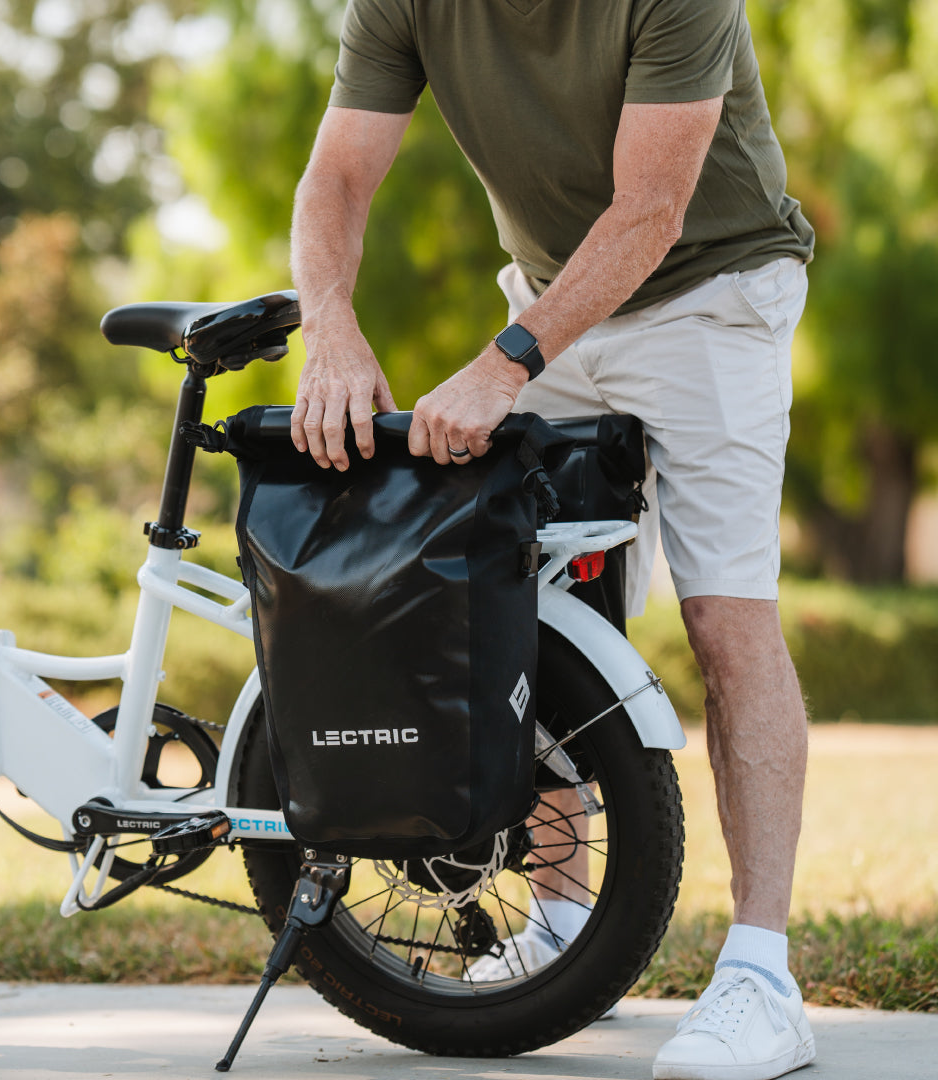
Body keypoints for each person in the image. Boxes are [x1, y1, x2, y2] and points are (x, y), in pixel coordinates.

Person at [287, 3, 816, 1079]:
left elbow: (650, 211)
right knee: (529, 620)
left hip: (711, 298)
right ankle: (563, 929)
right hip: (553, 305)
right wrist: (331, 330)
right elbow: (337, 177)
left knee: (726, 618)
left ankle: (763, 977)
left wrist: (504, 364)